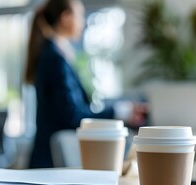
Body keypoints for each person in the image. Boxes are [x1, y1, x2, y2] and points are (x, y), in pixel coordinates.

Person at [25, 0, 146, 168]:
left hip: (51, 161)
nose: (83, 22)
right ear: (66, 18)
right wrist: (120, 111)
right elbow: (73, 115)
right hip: (51, 164)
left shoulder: (57, 54)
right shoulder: (55, 60)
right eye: (80, 15)